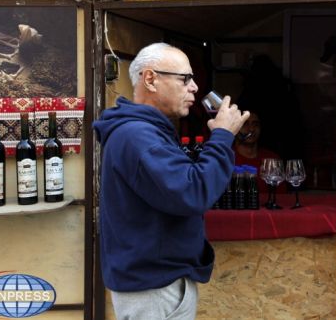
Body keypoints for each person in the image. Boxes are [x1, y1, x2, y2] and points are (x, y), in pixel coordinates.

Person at [93, 42, 249, 320]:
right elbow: (193, 192)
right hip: (153, 288)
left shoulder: (144, 132)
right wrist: (223, 137)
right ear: (150, 79)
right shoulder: (139, 136)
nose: (194, 88)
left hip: (155, 282)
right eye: (185, 79)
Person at [233, 109, 285, 193]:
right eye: (245, 124)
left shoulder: (272, 159)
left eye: (255, 124)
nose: (251, 129)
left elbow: (282, 195)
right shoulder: (224, 157)